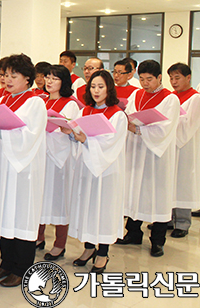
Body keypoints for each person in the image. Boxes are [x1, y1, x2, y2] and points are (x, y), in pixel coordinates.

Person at [0, 54, 47, 288]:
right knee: (3, 213)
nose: (7, 80)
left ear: (28, 78)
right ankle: (6, 262)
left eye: (13, 75)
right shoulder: (1, 99)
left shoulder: (34, 102)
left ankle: (22, 268)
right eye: (4, 75)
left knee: (19, 215)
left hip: (22, 169)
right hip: (0, 164)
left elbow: (30, 136)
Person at [63, 70, 127, 273]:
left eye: (101, 86)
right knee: (87, 206)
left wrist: (85, 139)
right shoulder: (86, 111)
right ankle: (89, 248)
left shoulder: (117, 114)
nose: (96, 91)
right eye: (93, 87)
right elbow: (79, 134)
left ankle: (103, 252)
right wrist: (71, 133)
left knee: (103, 208)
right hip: (86, 167)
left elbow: (111, 144)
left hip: (106, 169)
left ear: (109, 88)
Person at [116, 60, 180, 257]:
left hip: (155, 156)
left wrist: (138, 128)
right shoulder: (136, 94)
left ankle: (157, 241)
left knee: (156, 195)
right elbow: (128, 115)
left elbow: (165, 128)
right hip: (136, 150)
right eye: (142, 79)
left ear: (159, 78)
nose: (145, 84)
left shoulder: (170, 99)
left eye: (149, 80)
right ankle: (133, 233)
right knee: (135, 191)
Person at [37, 65, 80, 260]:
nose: (49, 81)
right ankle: (38, 237)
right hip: (41, 156)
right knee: (39, 197)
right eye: (47, 77)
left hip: (59, 158)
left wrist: (52, 131)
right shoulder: (40, 101)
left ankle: (60, 244)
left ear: (64, 82)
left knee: (59, 199)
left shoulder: (70, 104)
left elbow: (70, 130)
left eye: (54, 78)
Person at [167, 63, 200, 238]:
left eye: (177, 78)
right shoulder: (172, 97)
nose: (173, 82)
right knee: (170, 182)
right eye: (171, 78)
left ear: (188, 77)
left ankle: (183, 222)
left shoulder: (195, 98)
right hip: (170, 146)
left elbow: (189, 124)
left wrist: (172, 121)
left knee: (182, 183)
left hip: (185, 146)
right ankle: (169, 219)